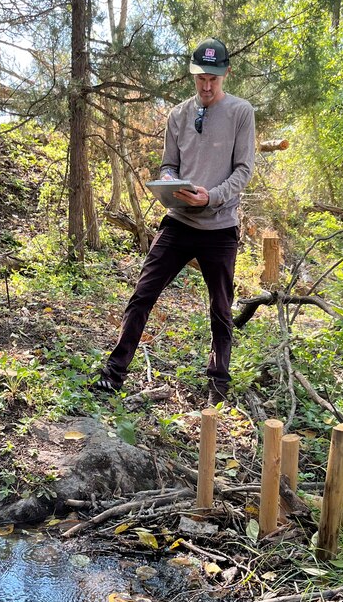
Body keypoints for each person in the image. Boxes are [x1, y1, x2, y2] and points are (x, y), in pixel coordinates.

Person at [95, 37, 255, 405]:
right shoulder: (178, 115)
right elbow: (169, 164)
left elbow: (244, 170)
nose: (207, 85)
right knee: (142, 294)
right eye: (201, 77)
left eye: (214, 78)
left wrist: (211, 196)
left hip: (219, 226)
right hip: (178, 222)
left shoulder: (240, 112)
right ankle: (113, 374)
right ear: (192, 74)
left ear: (226, 74)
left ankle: (218, 383)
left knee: (220, 307)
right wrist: (169, 182)